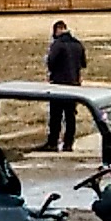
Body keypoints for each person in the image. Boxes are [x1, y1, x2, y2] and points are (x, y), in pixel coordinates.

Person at [43, 18, 88, 149]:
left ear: (57, 30)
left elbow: (51, 62)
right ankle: (68, 143)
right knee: (70, 116)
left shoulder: (57, 45)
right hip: (74, 84)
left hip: (58, 84)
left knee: (56, 115)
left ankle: (53, 142)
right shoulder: (78, 44)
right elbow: (83, 64)